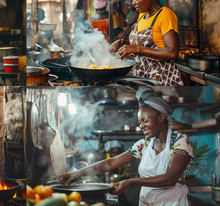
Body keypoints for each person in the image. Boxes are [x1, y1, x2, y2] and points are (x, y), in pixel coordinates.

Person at [58, 87, 194, 206]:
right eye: (140, 122)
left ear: (160, 118)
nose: (142, 126)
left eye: (146, 121)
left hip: (172, 203)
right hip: (147, 202)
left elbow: (171, 178)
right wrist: (78, 173)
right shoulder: (144, 145)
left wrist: (132, 181)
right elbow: (111, 163)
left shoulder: (180, 141)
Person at [109, 0, 182, 86]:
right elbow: (143, 42)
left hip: (160, 81)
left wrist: (137, 49)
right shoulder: (142, 15)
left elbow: (172, 52)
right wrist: (121, 42)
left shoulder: (165, 15)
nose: (133, 3)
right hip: (143, 79)